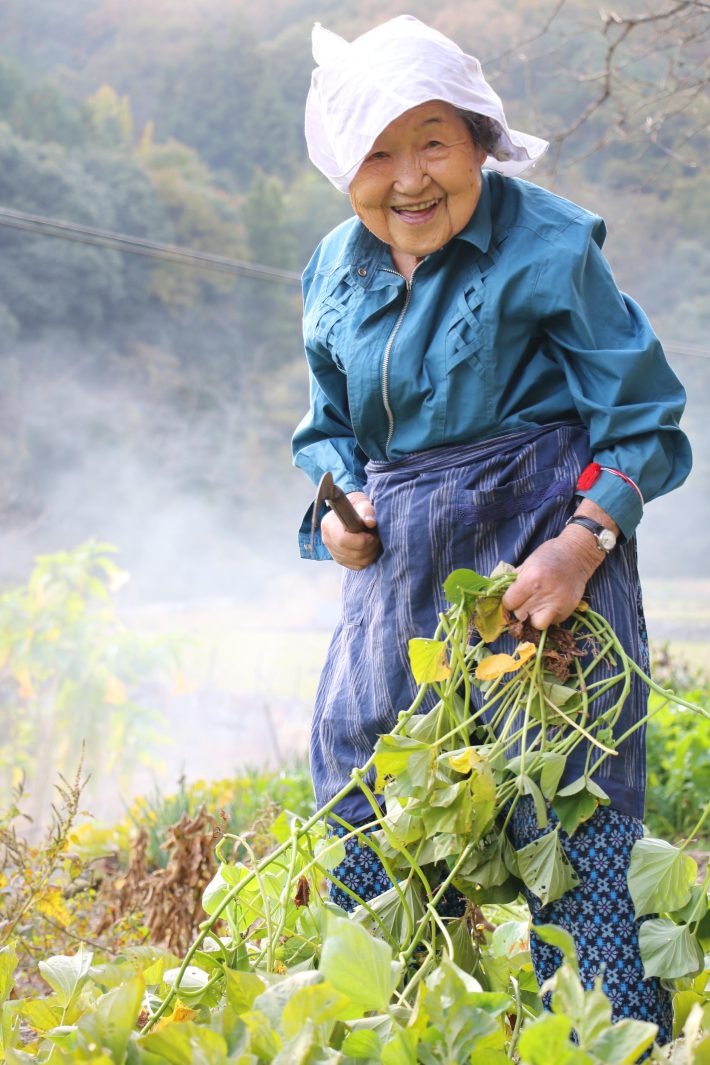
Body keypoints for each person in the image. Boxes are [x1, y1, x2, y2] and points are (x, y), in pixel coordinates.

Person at [292, 15, 691, 1041]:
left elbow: (642, 420)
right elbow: (325, 433)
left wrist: (579, 543)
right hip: (399, 570)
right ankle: (397, 1032)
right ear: (343, 167)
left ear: (478, 141)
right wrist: (340, 511)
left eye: (432, 140)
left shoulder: (549, 246)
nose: (408, 178)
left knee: (564, 796)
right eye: (376, 151)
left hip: (539, 549)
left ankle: (611, 1041)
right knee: (368, 788)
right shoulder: (332, 270)